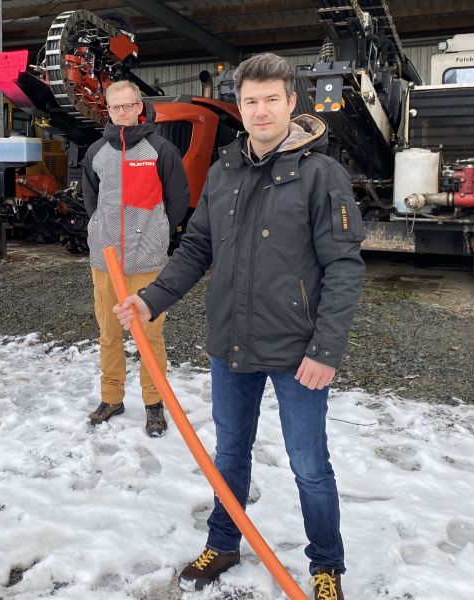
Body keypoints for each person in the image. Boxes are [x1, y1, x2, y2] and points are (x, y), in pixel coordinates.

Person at [114, 53, 365, 599]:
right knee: (230, 453)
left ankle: (327, 566)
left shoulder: (323, 175)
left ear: (292, 102)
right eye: (250, 101)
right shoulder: (226, 168)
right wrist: (153, 299)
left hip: (299, 351)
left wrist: (326, 348)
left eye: (272, 98)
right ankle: (224, 542)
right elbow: (198, 246)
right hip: (230, 344)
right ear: (241, 107)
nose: (261, 110)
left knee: (309, 465)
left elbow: (345, 267)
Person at [82, 80, 189, 438]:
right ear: (107, 110)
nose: (123, 113)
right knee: (109, 334)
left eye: (129, 106)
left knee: (149, 336)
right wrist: (102, 233)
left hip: (147, 262)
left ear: (140, 107)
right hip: (105, 261)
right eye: (116, 107)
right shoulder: (96, 151)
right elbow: (91, 201)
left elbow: (177, 200)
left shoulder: (161, 149)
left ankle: (154, 402)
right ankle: (111, 397)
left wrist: (159, 231)